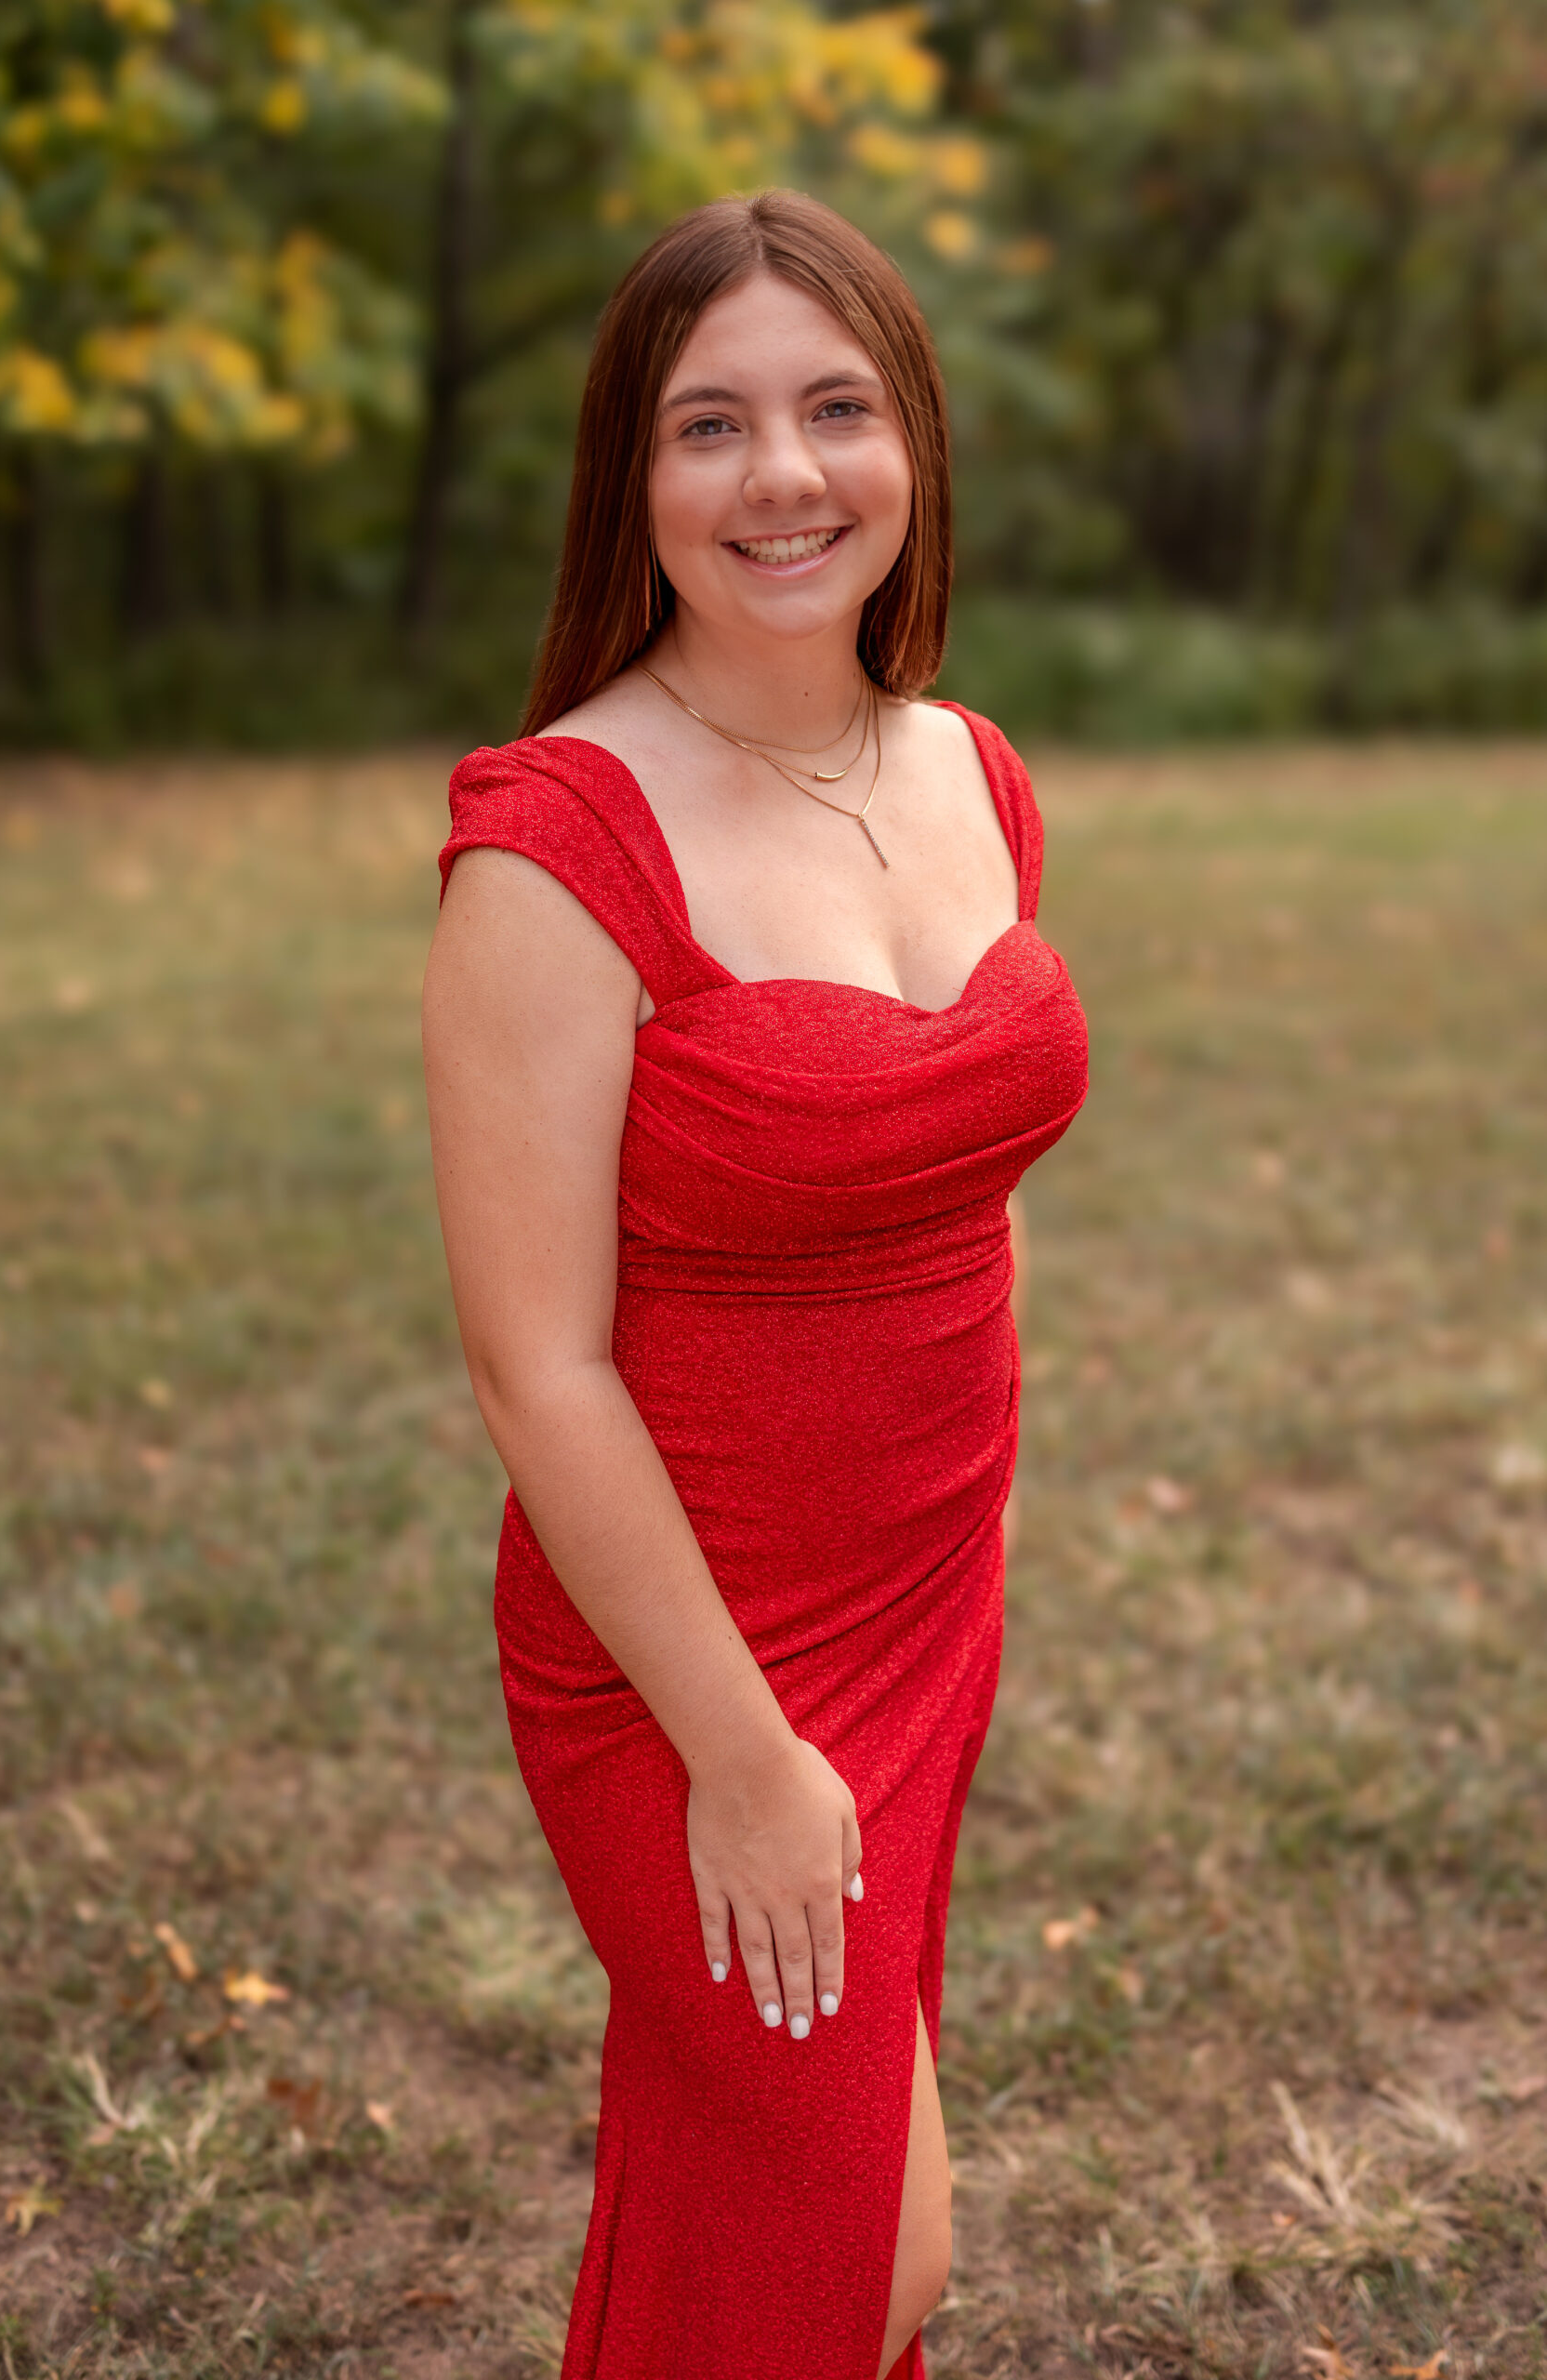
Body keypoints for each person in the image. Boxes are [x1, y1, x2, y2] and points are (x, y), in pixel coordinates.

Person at [423, 188, 1089, 2380]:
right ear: (636, 475)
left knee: (791, 2227)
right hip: (691, 1657)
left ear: (912, 439)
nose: (783, 475)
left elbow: (954, 1177)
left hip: (925, 1592)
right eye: (710, 425)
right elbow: (537, 1369)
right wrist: (736, 1748)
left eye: (835, 407)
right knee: (845, 2255)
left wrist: (978, 1485)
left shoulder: (968, 769)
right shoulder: (558, 845)